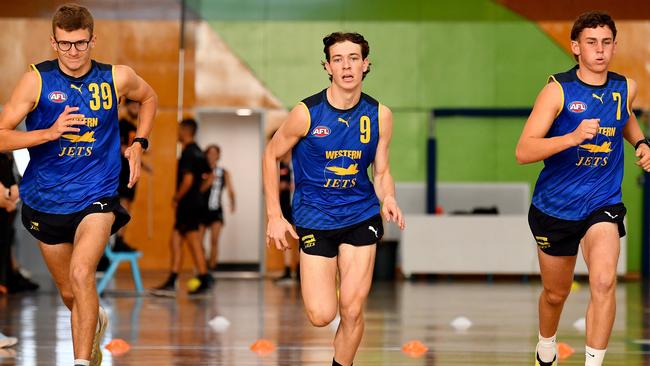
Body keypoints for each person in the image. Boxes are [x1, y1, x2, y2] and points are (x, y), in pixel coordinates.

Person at [0, 4, 157, 366]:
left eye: (81, 43)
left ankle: (82, 361)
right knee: (72, 294)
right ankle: (95, 318)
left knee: (83, 272)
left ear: (93, 40)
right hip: (45, 200)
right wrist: (50, 133)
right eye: (66, 44)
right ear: (53, 42)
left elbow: (149, 98)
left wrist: (138, 143)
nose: (74, 52)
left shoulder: (116, 77)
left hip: (96, 195)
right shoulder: (36, 80)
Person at [515, 11, 650, 366]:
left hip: (602, 202)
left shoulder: (626, 87)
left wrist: (641, 143)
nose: (600, 50)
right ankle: (546, 345)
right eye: (591, 42)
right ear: (576, 47)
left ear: (615, 46)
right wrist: (572, 137)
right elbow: (524, 150)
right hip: (555, 207)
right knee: (555, 293)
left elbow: (625, 118)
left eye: (606, 42)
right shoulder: (556, 91)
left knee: (604, 281)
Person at [263, 32, 405, 366]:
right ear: (328, 66)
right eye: (338, 59)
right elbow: (270, 155)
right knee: (321, 314)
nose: (346, 66)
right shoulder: (306, 113)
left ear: (365, 64)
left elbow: (381, 171)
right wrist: (274, 215)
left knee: (353, 309)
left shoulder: (379, 115)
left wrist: (389, 198)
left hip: (361, 215)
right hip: (314, 218)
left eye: (353, 58)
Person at [152, 118, 213, 296]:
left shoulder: (188, 153)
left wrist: (177, 197)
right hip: (194, 203)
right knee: (176, 240)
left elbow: (188, 180)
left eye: (179, 130)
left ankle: (203, 277)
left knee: (193, 241)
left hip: (187, 205)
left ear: (186, 131)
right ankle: (173, 279)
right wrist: (199, 192)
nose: (177, 133)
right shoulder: (200, 152)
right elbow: (209, 176)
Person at [199, 145, 235, 272]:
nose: (212, 156)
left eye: (215, 153)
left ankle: (212, 269)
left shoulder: (224, 172)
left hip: (216, 210)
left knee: (214, 240)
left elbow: (231, 190)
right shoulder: (201, 171)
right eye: (209, 153)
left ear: (218, 156)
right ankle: (203, 266)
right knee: (198, 241)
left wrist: (233, 203)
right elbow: (199, 190)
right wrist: (208, 182)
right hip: (202, 210)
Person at [274, 155, 299, 283]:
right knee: (287, 239)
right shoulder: (280, 166)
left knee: (302, 239)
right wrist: (282, 186)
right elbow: (270, 188)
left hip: (302, 207)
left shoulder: (300, 161)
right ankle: (288, 270)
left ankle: (300, 271)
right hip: (286, 207)